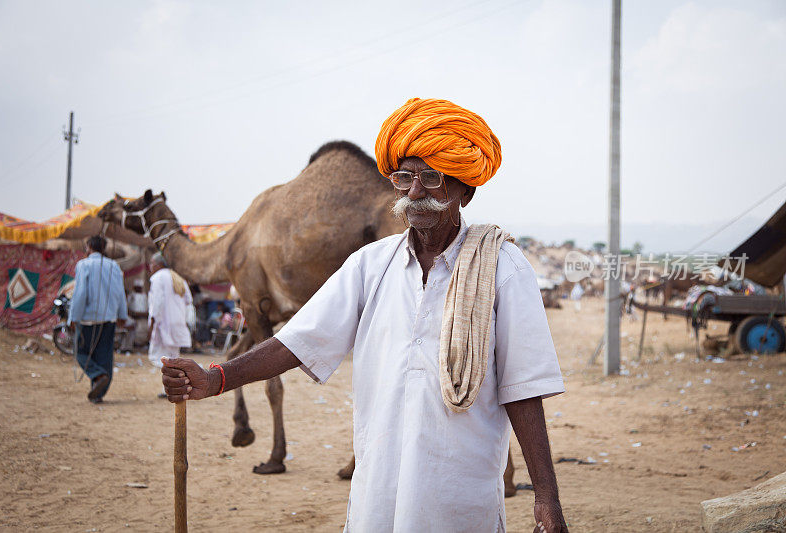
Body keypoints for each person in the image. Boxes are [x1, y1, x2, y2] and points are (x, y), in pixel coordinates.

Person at [161, 98, 568, 532]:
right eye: (405, 177)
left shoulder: (503, 269)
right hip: (376, 500)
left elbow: (522, 388)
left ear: (464, 190)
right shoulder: (369, 265)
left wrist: (546, 497)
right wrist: (216, 379)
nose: (415, 192)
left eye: (432, 178)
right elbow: (298, 341)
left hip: (460, 503)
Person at [69, 235, 129, 404]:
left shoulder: (84, 265)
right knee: (103, 355)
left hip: (87, 319)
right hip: (108, 318)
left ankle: (98, 376)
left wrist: (74, 317)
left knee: (81, 353)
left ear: (89, 247)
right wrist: (122, 315)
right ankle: (99, 393)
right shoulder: (114, 266)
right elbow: (120, 292)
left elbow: (80, 293)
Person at [147, 253, 192, 397]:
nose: (150, 266)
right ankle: (171, 387)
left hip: (163, 324)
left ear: (159, 264)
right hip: (178, 322)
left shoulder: (158, 278)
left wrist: (153, 323)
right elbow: (188, 300)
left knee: (161, 358)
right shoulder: (178, 278)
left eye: (152, 263)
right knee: (173, 357)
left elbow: (157, 303)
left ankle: (178, 381)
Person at [120, 278, 149, 352]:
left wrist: (142, 314)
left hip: (143, 319)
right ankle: (126, 347)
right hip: (132, 318)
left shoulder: (145, 296)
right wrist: (134, 314)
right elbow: (128, 309)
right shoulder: (131, 296)